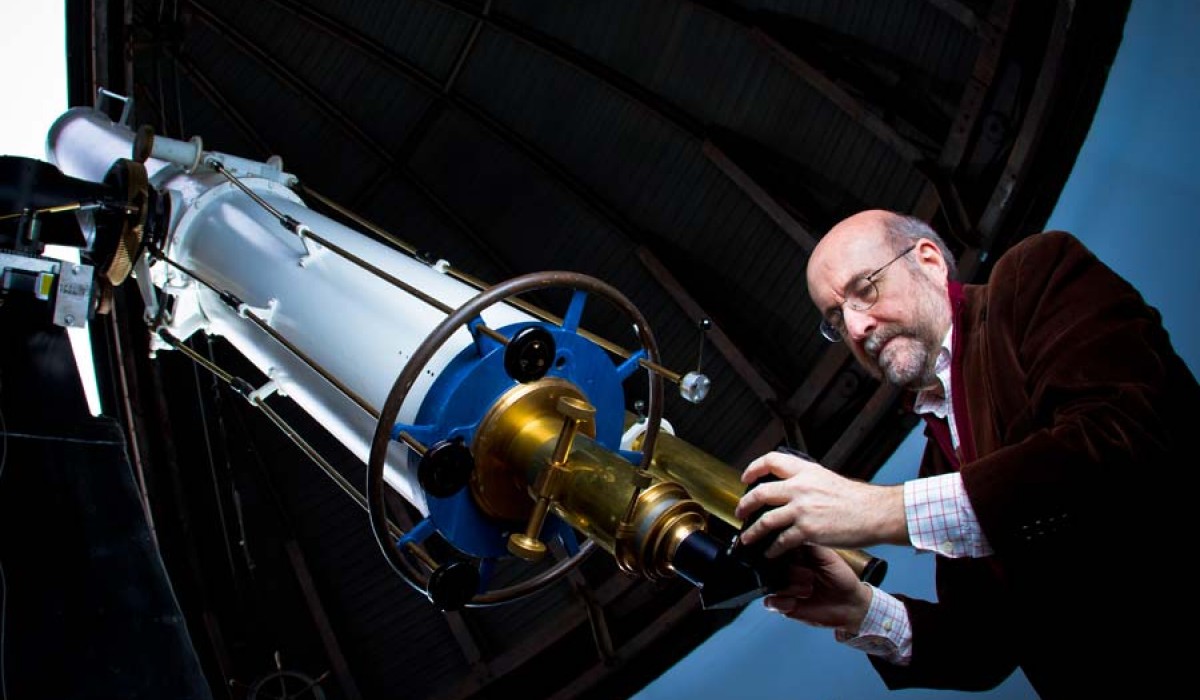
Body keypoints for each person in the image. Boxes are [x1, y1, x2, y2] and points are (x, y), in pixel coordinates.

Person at [733, 209, 1197, 698]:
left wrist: (881, 509)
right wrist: (860, 609)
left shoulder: (1033, 274)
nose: (856, 328)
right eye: (834, 319)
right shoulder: (938, 453)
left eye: (864, 289)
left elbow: (1125, 438)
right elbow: (987, 648)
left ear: (929, 261)